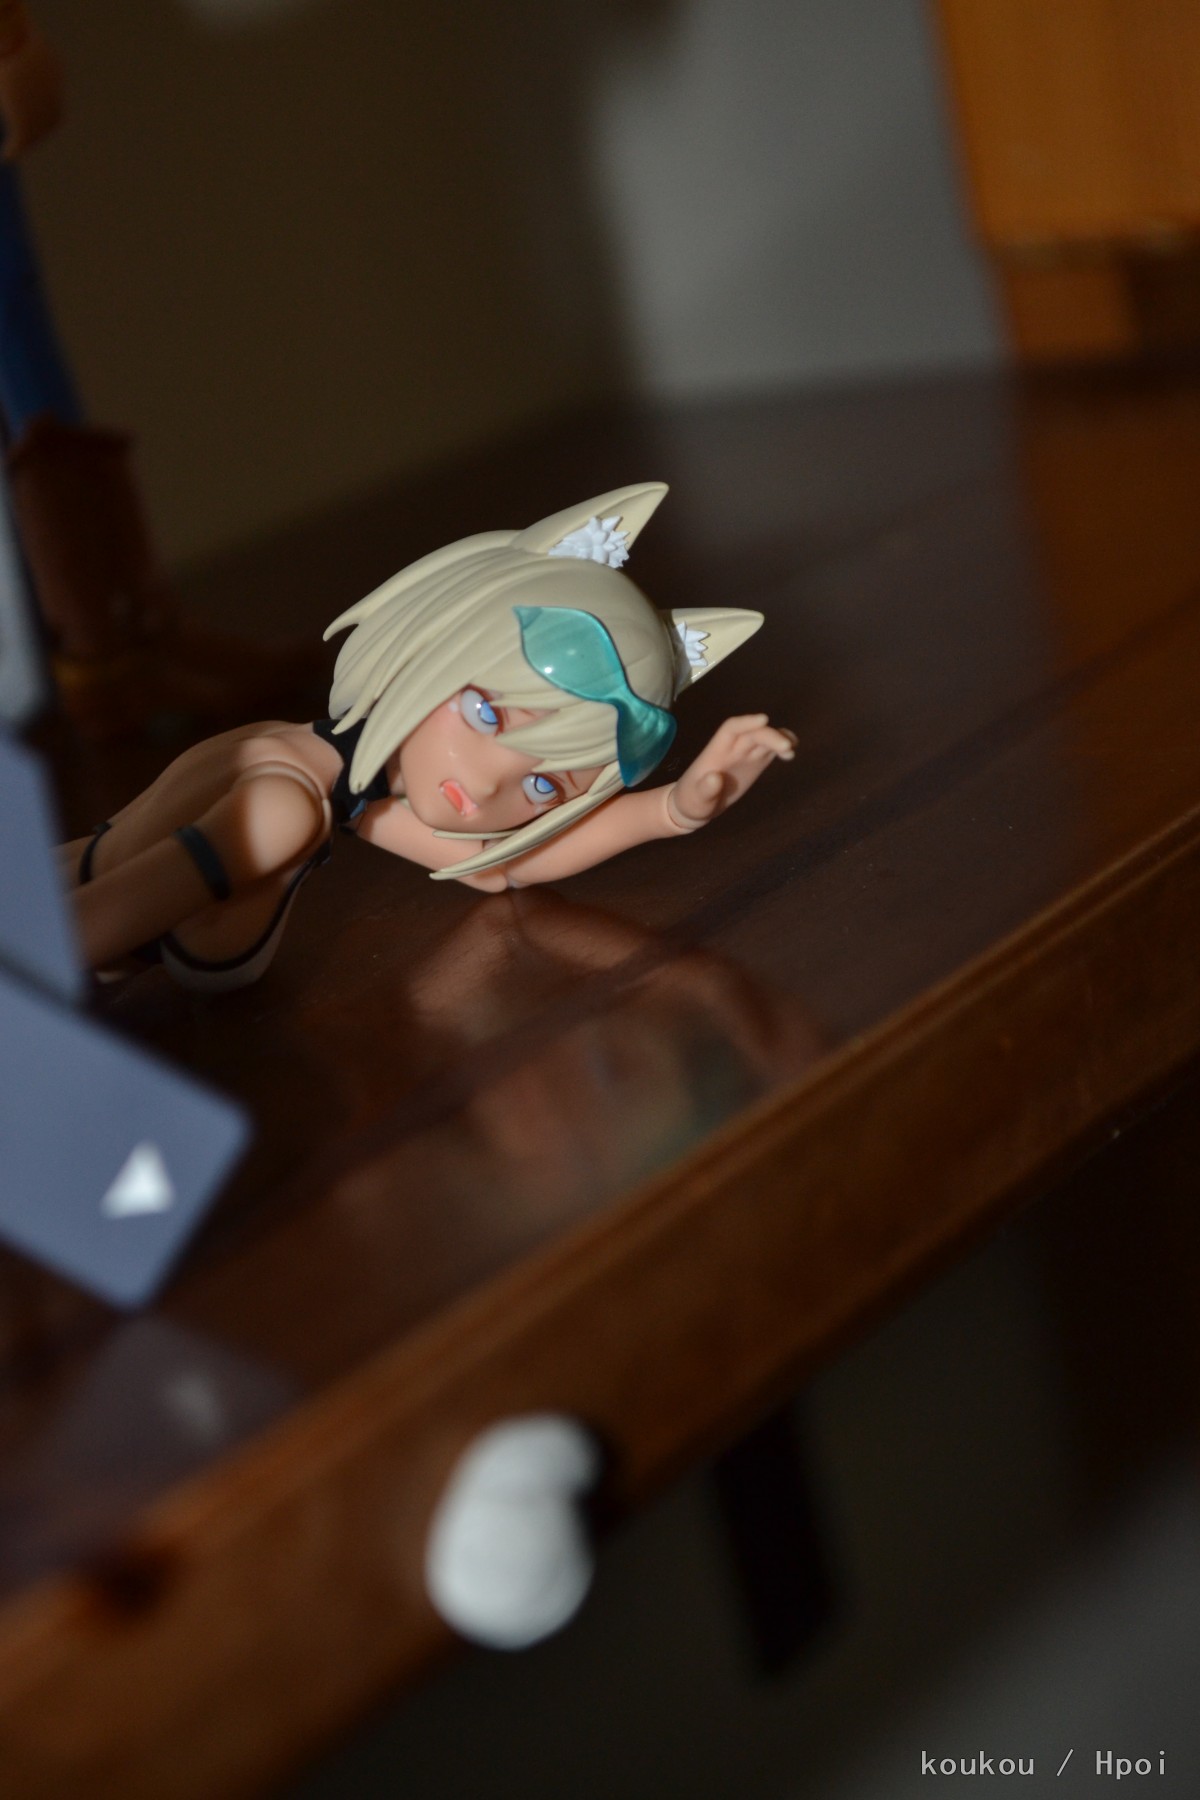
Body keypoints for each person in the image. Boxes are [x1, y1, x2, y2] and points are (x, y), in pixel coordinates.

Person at [64, 483, 795, 991]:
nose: (486, 783)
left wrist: (673, 810)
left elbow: (498, 869)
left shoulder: (323, 792)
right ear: (433, 637)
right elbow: (76, 929)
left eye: (544, 784)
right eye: (486, 713)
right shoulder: (288, 802)